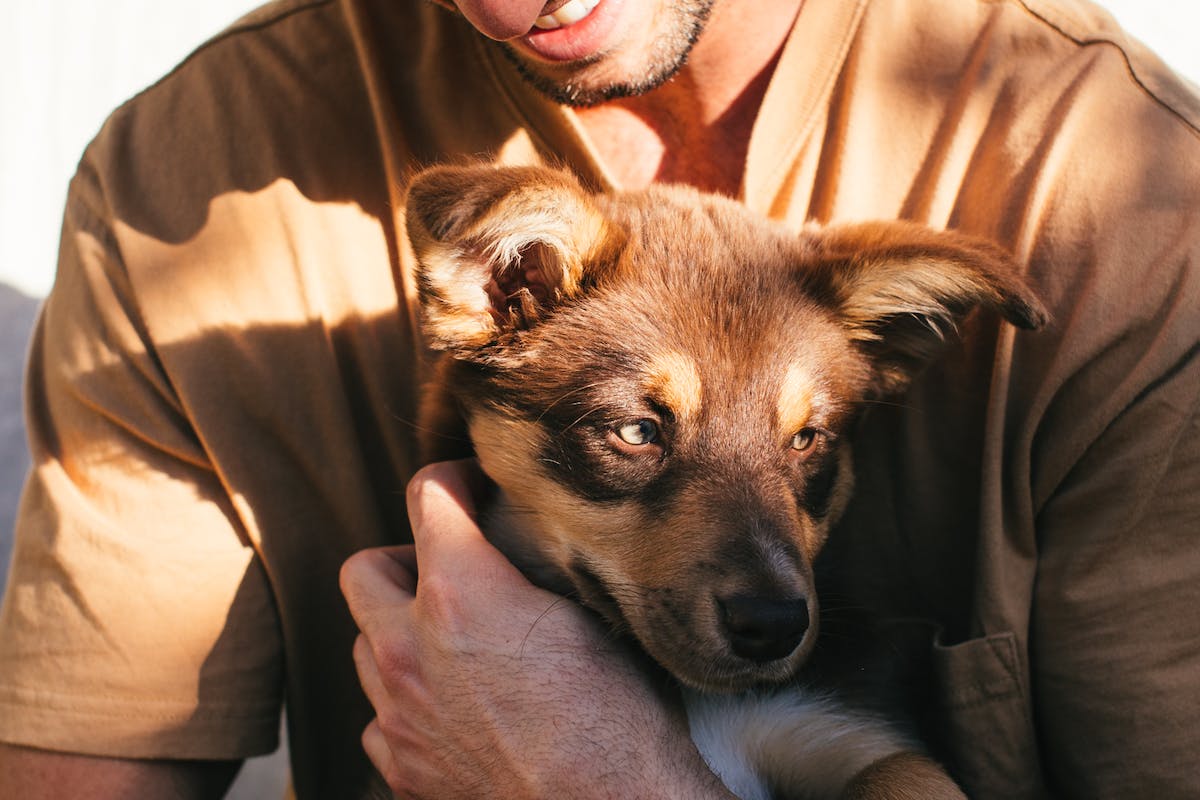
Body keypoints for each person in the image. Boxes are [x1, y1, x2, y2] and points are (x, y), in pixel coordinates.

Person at [0, 0, 1197, 797]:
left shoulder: (1130, 193)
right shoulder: (184, 174)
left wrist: (600, 775)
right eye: (635, 429)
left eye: (804, 443)